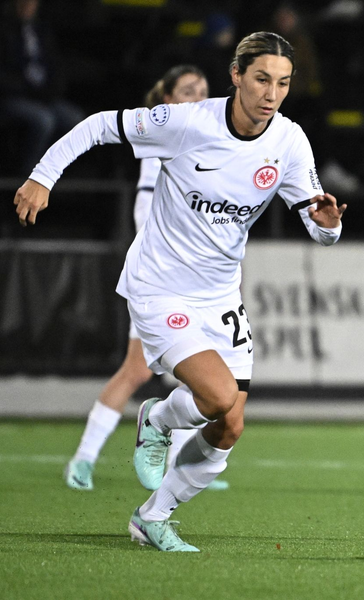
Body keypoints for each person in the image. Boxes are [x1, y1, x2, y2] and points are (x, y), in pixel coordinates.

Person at [14, 31, 346, 552]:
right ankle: (159, 417)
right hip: (160, 287)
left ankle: (153, 515)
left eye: (282, 83)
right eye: (261, 79)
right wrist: (43, 176)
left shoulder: (290, 142)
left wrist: (327, 225)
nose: (271, 94)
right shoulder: (188, 122)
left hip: (220, 296)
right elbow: (103, 126)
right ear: (236, 76)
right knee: (214, 396)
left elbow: (320, 228)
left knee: (230, 426)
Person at [63, 64, 236, 493]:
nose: (199, 97)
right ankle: (83, 460)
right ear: (167, 101)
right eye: (188, 90)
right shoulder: (164, 141)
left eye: (203, 90)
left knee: (187, 376)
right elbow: (145, 210)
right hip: (161, 280)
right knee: (136, 371)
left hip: (194, 285)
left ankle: (179, 463)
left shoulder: (209, 142)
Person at [0, 0, 84, 176]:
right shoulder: (5, 30)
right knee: (43, 121)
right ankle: (29, 175)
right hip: (15, 97)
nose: (26, 6)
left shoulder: (42, 31)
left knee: (75, 120)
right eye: (22, 3)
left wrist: (51, 90)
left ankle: (57, 170)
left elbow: (55, 67)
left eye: (31, 3)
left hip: (44, 97)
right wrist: (25, 89)